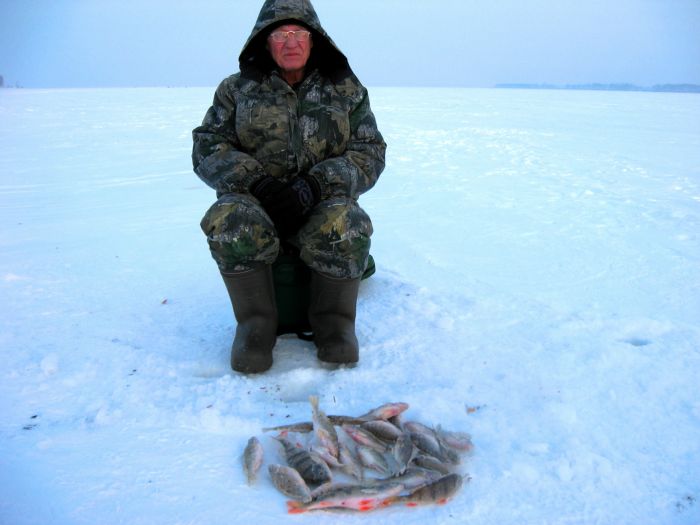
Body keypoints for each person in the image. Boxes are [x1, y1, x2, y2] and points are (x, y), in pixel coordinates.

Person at [192, 0, 386, 374]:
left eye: (299, 33)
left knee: (349, 221)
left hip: (321, 203)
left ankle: (335, 328)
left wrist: (316, 185)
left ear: (315, 40)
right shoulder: (236, 90)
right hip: (258, 204)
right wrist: (257, 183)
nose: (290, 42)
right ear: (265, 42)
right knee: (227, 218)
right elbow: (207, 146)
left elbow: (370, 150)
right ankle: (255, 328)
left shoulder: (345, 89)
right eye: (280, 34)